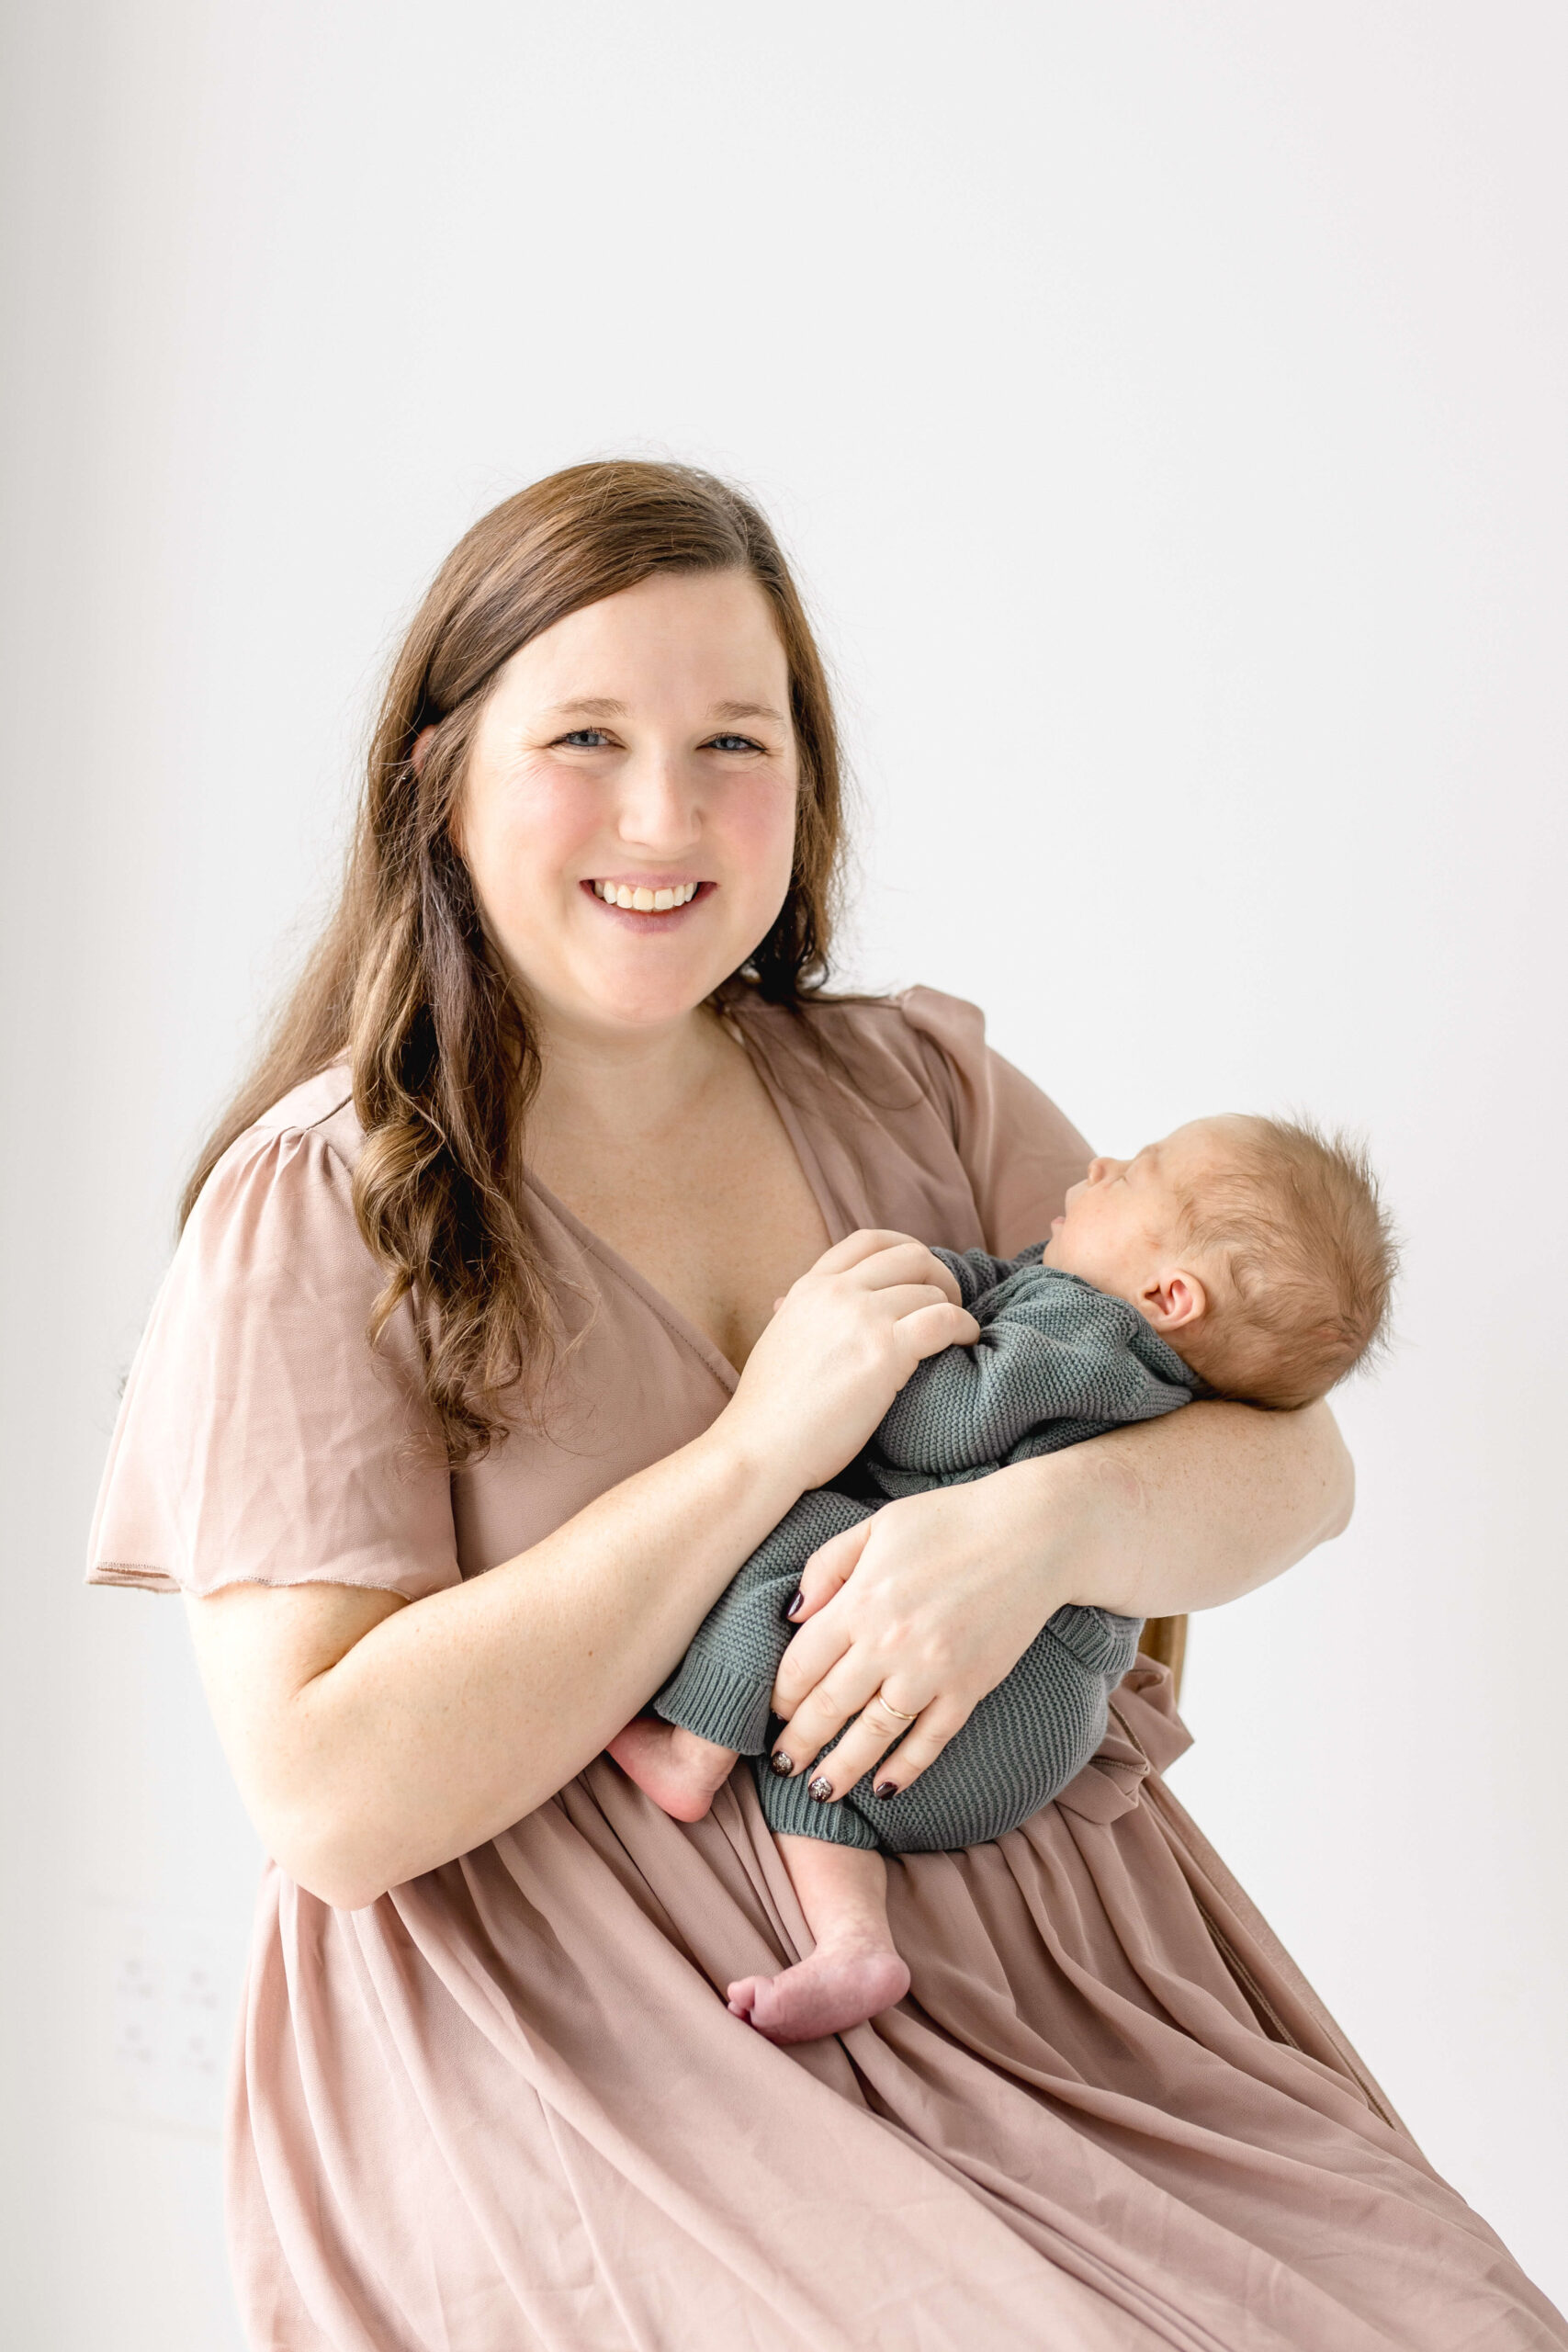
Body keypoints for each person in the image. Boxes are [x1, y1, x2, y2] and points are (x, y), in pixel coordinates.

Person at [86, 461, 1565, 2350]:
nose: (662, 814)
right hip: (610, 2045)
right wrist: (753, 1452)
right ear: (440, 772)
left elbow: (1296, 1460)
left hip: (1066, 1991)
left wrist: (1032, 1528)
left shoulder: (913, 1095)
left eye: (732, 740)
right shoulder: (332, 1199)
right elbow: (333, 1794)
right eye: (586, 737)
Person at [616, 1114, 1398, 2048]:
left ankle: (693, 1753)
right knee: (822, 1771)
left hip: (996, 1685)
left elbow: (937, 1426)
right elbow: (1007, 1291)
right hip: (1031, 1732)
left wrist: (869, 1344)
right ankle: (852, 1943)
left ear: (1169, 1294)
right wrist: (950, 1278)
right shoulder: (1138, 1359)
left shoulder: (1084, 1335)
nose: (1101, 1162)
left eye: (1136, 1172)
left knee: (795, 1557)